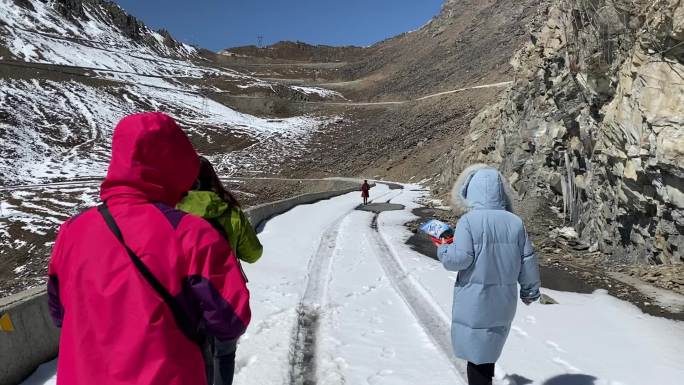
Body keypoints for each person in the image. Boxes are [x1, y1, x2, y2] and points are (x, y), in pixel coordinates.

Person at [47, 112, 251, 385]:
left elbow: (60, 313)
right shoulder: (191, 233)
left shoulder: (71, 231)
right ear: (178, 162)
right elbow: (231, 318)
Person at [434, 165, 540, 385]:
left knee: (476, 356)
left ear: (469, 190)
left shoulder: (469, 221)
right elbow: (527, 262)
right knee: (488, 349)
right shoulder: (515, 222)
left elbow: (459, 259)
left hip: (475, 299)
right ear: (501, 192)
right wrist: (530, 292)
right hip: (504, 300)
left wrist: (443, 247)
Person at [177, 156, 263, 385]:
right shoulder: (229, 210)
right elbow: (253, 254)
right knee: (224, 354)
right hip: (226, 295)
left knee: (193, 358)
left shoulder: (171, 211)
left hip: (184, 299)